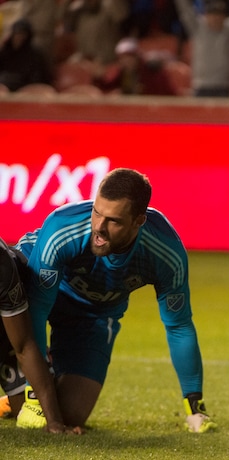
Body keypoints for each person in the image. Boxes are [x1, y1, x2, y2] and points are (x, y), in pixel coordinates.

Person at [14, 168, 215, 432]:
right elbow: (38, 309)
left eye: (113, 221)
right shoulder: (63, 227)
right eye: (96, 212)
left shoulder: (166, 253)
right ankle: (19, 387)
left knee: (71, 413)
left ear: (138, 221)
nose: (99, 227)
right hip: (35, 285)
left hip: (95, 313)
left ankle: (11, 397)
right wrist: (34, 393)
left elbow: (178, 325)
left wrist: (194, 406)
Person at [0, 237, 78, 434]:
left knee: (39, 414)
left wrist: (55, 423)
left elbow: (24, 345)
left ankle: (9, 401)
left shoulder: (3, 268)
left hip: (6, 325)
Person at [173, 0, 229, 97]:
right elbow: (184, 9)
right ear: (206, 15)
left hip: (225, 87)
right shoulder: (197, 27)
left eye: (219, 14)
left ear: (224, 16)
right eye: (212, 14)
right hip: (201, 87)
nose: (215, 18)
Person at [0, 18, 53, 92]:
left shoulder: (36, 54)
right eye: (16, 34)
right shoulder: (6, 50)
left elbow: (41, 78)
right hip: (5, 87)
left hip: (28, 88)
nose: (18, 37)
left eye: (22, 34)